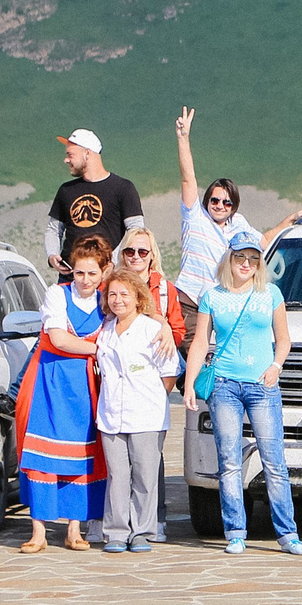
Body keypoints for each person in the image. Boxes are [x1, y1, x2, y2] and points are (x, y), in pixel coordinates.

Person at [183, 228, 302, 554]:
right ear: (230, 259)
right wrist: (189, 384)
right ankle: (236, 531)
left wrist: (276, 366)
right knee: (229, 461)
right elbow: (199, 342)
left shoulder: (271, 294)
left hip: (262, 385)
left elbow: (284, 339)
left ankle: (287, 533)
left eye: (253, 258)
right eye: (241, 257)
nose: (246, 263)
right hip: (224, 385)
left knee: (274, 461)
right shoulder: (212, 296)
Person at [11, 237, 110, 552]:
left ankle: (74, 529)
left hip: (83, 386)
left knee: (78, 456)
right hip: (48, 378)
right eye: (80, 273)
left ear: (103, 272)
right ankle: (38, 530)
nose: (85, 280)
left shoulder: (106, 301)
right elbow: (58, 338)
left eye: (92, 274)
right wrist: (100, 349)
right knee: (41, 454)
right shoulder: (57, 294)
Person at [174, 107, 302, 306]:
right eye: (215, 200)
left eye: (226, 202)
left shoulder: (238, 223)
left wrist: (291, 220)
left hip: (222, 304)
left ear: (234, 206)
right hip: (189, 305)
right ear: (207, 201)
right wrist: (183, 138)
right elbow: (188, 179)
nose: (220, 206)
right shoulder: (194, 216)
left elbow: (264, 241)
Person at [113, 224, 190, 534]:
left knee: (149, 454)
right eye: (130, 250)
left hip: (155, 374)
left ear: (152, 256)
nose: (135, 256)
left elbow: (179, 329)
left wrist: (166, 329)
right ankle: (115, 520)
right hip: (118, 377)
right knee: (118, 457)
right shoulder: (112, 284)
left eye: (142, 251)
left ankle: (154, 518)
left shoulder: (163, 289)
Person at [94, 271, 178, 553]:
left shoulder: (152, 329)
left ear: (138, 298)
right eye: (113, 294)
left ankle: (142, 531)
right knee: (117, 475)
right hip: (110, 415)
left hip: (147, 415)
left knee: (144, 475)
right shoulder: (104, 330)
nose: (118, 300)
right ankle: (117, 531)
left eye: (124, 294)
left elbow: (169, 374)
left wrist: (150, 398)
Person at [47, 129, 143, 282]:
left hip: (108, 279)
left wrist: (113, 261)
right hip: (69, 278)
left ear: (87, 153)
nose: (66, 160)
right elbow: (53, 229)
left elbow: (136, 230)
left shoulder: (123, 188)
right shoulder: (66, 190)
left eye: (70, 154)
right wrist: (52, 255)